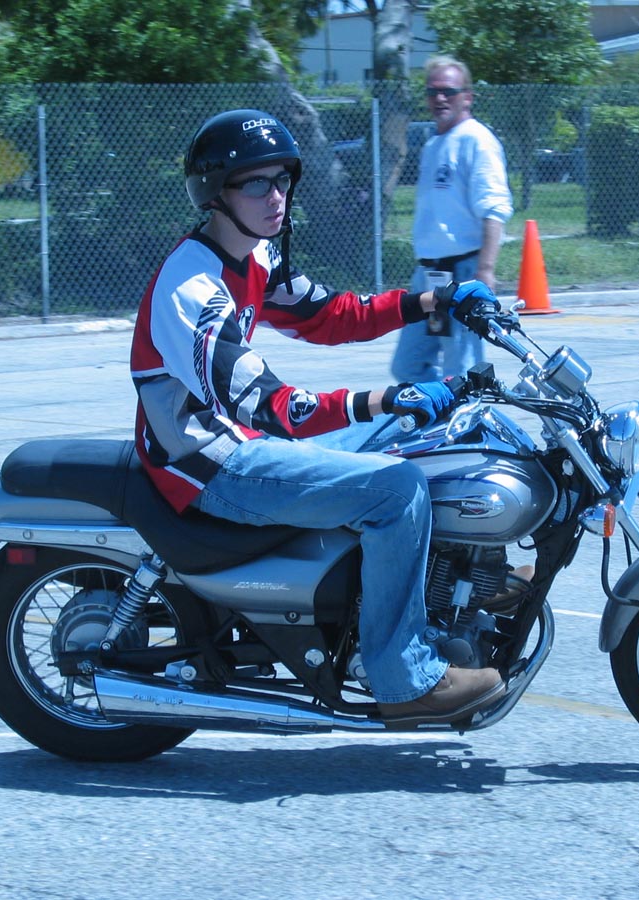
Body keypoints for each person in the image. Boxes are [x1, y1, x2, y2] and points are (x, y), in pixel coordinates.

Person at [130, 109, 506, 725]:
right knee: (398, 489)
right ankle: (403, 678)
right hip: (208, 464)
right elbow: (275, 407)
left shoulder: (255, 256)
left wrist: (437, 299)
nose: (275, 196)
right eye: (256, 183)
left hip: (239, 438)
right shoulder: (191, 289)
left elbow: (332, 316)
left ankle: (465, 580)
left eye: (282, 179)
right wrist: (387, 397)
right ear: (215, 191)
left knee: (437, 437)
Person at [391, 55, 514, 383]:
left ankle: (464, 415)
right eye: (432, 92)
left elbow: (494, 208)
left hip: (462, 273)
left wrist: (485, 271)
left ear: (467, 97)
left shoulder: (477, 140)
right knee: (408, 367)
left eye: (448, 91)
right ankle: (439, 411)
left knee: (461, 370)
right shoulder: (433, 145)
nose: (440, 98)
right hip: (430, 276)